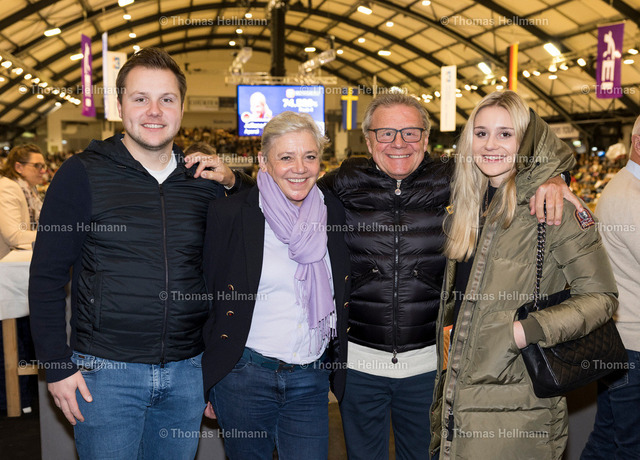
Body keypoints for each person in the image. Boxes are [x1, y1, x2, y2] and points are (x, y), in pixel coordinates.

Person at [197, 92, 580, 459]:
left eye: (410, 132)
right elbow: (285, 190)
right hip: (359, 366)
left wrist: (556, 176)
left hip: (429, 366)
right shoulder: (342, 184)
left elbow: (522, 152)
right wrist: (235, 182)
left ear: (426, 139)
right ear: (368, 140)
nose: (399, 143)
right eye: (385, 133)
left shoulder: (457, 180)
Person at [28, 48, 250, 459]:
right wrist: (56, 365)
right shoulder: (82, 173)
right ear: (119, 105)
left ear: (181, 107)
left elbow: (259, 221)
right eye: (140, 98)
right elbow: (46, 277)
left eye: (167, 99)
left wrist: (235, 181)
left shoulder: (203, 181)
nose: (154, 111)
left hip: (187, 372)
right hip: (105, 375)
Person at [430, 90, 618, 459]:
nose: (490, 144)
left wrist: (524, 331)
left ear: (526, 142)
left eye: (506, 133)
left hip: (519, 398)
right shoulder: (469, 206)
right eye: (481, 133)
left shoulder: (552, 207)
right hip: (458, 397)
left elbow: (601, 297)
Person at [201, 111, 350, 459]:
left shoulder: (334, 212)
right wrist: (208, 378)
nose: (299, 168)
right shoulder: (230, 214)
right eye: (286, 157)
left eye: (309, 156)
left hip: (310, 379)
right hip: (243, 377)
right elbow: (208, 299)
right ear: (263, 162)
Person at [581, 115, 640, 459]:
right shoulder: (629, 195)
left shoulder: (625, 188)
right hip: (633, 345)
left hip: (622, 341)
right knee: (630, 446)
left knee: (608, 437)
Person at [0, 143, 46, 258]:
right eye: (37, 166)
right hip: (6, 262)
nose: (43, 171)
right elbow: (14, 236)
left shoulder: (30, 190)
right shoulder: (8, 187)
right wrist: (53, 234)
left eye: (43, 166)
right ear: (19, 167)